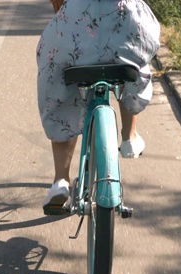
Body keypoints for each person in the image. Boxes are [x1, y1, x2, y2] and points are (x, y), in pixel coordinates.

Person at [38, 0, 161, 214]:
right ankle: (129, 137)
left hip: (75, 37)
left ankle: (61, 181)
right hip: (126, 29)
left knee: (59, 88)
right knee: (134, 65)